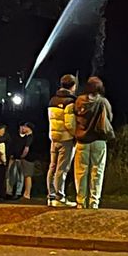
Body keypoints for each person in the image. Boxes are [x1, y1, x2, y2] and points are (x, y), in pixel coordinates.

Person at [73, 76, 114, 209]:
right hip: (99, 140)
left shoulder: (79, 101)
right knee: (97, 171)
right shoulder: (103, 102)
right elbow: (109, 118)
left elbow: (75, 116)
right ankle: (94, 202)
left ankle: (81, 201)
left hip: (82, 140)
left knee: (81, 171)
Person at [46, 75, 79, 207]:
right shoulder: (69, 102)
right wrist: (76, 136)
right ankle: (60, 197)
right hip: (66, 138)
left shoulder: (52, 100)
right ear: (73, 86)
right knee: (62, 169)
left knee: (52, 167)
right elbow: (70, 124)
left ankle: (51, 196)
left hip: (54, 138)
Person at [8, 123, 36, 200]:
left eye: (25, 127)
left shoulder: (30, 137)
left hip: (28, 159)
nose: (23, 128)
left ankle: (27, 194)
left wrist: (21, 156)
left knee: (27, 176)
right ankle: (25, 193)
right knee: (25, 176)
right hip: (27, 159)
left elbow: (26, 149)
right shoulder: (28, 137)